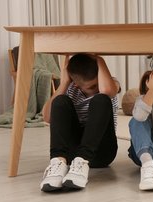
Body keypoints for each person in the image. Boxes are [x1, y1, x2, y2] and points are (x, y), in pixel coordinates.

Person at [40, 53, 120, 192]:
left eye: (97, 84)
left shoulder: (109, 83)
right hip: (72, 154)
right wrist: (64, 83)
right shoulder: (71, 89)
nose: (96, 88)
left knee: (101, 99)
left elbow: (106, 91)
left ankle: (82, 161)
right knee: (60, 101)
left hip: (101, 153)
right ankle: (58, 163)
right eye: (91, 87)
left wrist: (98, 59)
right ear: (76, 85)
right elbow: (47, 117)